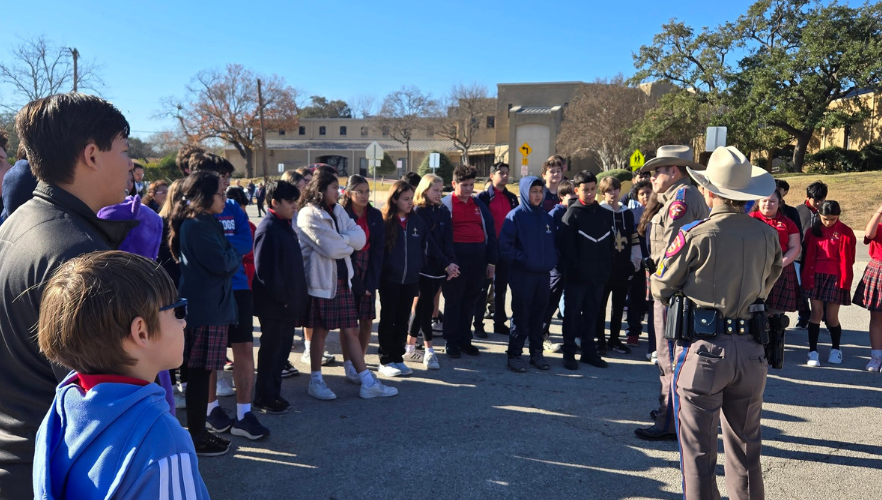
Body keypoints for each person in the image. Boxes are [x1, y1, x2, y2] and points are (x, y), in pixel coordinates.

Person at [0, 93, 135, 498]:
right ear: (92, 155)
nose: (130, 164)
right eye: (124, 150)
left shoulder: (19, 222)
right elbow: (103, 397)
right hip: (54, 469)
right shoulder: (76, 253)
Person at [651, 145, 782, 500]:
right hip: (752, 350)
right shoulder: (767, 234)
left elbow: (661, 286)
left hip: (706, 350)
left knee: (698, 452)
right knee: (745, 450)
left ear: (710, 192)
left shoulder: (695, 233)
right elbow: (770, 281)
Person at [33, 251, 210, 499]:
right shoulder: (165, 440)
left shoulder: (60, 414)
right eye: (176, 310)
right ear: (141, 332)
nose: (183, 323)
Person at [297, 171, 398, 399]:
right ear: (321, 190)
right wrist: (347, 243)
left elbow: (360, 239)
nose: (338, 192)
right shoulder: (308, 214)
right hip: (322, 282)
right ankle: (316, 381)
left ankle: (366, 382)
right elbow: (333, 249)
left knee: (351, 330)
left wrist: (342, 241)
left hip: (344, 280)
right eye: (334, 187)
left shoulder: (338, 210)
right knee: (320, 332)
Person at [186, 150, 262, 445]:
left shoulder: (233, 207)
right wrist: (225, 250)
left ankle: (244, 413)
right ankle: (210, 410)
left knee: (244, 349)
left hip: (238, 288)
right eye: (220, 177)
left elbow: (245, 242)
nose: (226, 183)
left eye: (227, 177)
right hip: (209, 293)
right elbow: (219, 251)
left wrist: (224, 248)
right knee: (209, 357)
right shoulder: (190, 215)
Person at [634, 145, 709, 442]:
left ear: (673, 171)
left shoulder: (681, 199)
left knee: (669, 357)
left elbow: (673, 253)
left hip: (671, 292)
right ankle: (669, 410)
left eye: (657, 172)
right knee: (670, 355)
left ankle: (668, 420)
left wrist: (661, 287)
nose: (652, 178)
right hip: (673, 290)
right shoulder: (678, 197)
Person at [169, 170, 241, 456]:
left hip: (213, 307)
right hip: (204, 310)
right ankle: (196, 436)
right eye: (220, 194)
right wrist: (233, 256)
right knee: (199, 376)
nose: (224, 199)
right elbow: (223, 262)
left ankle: (199, 432)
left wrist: (231, 256)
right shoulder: (197, 225)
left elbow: (228, 256)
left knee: (203, 374)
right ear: (204, 196)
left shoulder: (206, 221)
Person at [253, 180, 309, 415]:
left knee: (283, 348)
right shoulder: (268, 227)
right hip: (275, 304)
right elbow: (264, 269)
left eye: (296, 201)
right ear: (275, 202)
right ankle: (264, 396)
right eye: (290, 201)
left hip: (287, 303)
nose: (295, 205)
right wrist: (283, 297)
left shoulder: (284, 224)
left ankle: (274, 393)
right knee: (272, 350)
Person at [499, 176, 557, 372]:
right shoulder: (514, 217)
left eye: (540, 191)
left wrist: (551, 260)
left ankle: (536, 354)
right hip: (522, 275)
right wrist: (525, 258)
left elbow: (553, 246)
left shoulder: (547, 218)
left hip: (543, 275)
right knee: (521, 316)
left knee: (539, 316)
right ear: (525, 192)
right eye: (534, 191)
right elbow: (505, 248)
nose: (538, 195)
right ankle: (514, 355)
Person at [440, 165, 498, 358]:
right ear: (454, 184)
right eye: (464, 185)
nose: (468, 189)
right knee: (454, 302)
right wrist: (448, 263)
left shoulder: (478, 205)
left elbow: (490, 233)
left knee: (469, 302)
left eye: (471, 185)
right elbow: (440, 237)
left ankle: (466, 340)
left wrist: (491, 262)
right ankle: (451, 341)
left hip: (478, 261)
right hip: (455, 262)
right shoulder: (445, 205)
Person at [559, 171, 612, 370]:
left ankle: (589, 353)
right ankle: (569, 353)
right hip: (576, 279)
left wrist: (606, 271)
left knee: (592, 316)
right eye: (584, 190)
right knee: (572, 316)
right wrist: (574, 272)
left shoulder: (605, 214)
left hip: (598, 278)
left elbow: (609, 247)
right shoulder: (572, 215)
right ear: (576, 190)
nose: (589, 193)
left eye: (592, 189)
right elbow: (565, 249)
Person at [377, 181, 430, 376]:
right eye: (406, 199)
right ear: (395, 199)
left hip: (410, 279)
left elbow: (425, 246)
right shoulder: (385, 221)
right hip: (390, 279)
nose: (410, 203)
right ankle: (385, 359)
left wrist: (419, 266)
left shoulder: (417, 222)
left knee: (402, 320)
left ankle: (398, 358)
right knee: (388, 319)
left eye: (412, 199)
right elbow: (379, 252)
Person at [409, 174, 459, 370]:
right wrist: (446, 263)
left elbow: (448, 240)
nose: (440, 194)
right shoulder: (418, 211)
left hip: (440, 268)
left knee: (422, 307)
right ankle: (429, 351)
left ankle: (410, 346)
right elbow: (427, 243)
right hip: (423, 268)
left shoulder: (443, 210)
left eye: (441, 190)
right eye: (435, 190)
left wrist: (452, 263)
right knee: (426, 307)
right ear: (424, 190)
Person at [800, 200, 856, 367]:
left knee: (831, 317)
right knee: (816, 315)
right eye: (825, 218)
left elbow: (850, 258)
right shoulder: (812, 231)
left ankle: (836, 349)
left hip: (836, 277)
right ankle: (813, 352)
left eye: (833, 219)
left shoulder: (846, 232)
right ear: (819, 215)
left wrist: (844, 280)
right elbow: (806, 256)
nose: (829, 222)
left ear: (838, 216)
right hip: (815, 275)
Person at [342, 175, 386, 378]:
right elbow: (342, 249)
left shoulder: (375, 215)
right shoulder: (341, 213)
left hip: (368, 266)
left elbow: (378, 250)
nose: (364, 195)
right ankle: (349, 363)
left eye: (367, 191)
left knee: (367, 319)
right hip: (347, 267)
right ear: (349, 193)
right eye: (360, 191)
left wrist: (371, 281)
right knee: (349, 321)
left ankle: (361, 360)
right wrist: (355, 280)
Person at [596, 176, 641, 355]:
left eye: (615, 189)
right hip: (604, 267)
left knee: (619, 306)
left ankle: (614, 339)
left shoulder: (627, 213)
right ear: (603, 192)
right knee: (600, 306)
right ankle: (600, 340)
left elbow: (633, 237)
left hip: (623, 266)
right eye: (608, 190)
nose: (612, 193)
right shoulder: (599, 212)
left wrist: (635, 259)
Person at [475, 162, 518, 337]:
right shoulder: (483, 197)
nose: (505, 176)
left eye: (507, 173)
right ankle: (478, 324)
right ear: (492, 176)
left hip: (506, 249)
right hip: (487, 249)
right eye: (501, 173)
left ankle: (499, 322)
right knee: (483, 288)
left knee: (501, 288)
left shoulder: (512, 197)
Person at [749, 191, 802, 318]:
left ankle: (777, 335)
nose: (768, 204)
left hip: (780, 269)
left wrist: (780, 264)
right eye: (764, 200)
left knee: (776, 313)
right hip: (754, 269)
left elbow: (795, 246)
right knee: (754, 309)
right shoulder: (749, 220)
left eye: (772, 201)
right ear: (758, 202)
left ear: (779, 204)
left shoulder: (788, 223)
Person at [541, 180, 576, 352]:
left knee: (570, 303)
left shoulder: (577, 211)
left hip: (573, 264)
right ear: (562, 196)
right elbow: (552, 239)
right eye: (571, 195)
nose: (575, 198)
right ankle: (541, 334)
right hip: (558, 265)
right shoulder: (556, 213)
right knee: (550, 300)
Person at [794, 181, 828, 329]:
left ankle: (826, 317)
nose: (819, 203)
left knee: (821, 288)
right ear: (807, 197)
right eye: (816, 200)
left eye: (822, 200)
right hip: (799, 257)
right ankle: (803, 316)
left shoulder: (827, 210)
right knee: (800, 287)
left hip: (820, 257)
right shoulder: (797, 211)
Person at [854, 202, 882, 371]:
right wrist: (879, 211)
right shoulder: (878, 226)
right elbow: (869, 234)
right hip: (878, 269)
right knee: (877, 317)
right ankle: (876, 356)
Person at [625, 179, 653, 347]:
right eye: (641, 194)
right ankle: (633, 331)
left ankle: (654, 334)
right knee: (634, 297)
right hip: (637, 261)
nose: (645, 196)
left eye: (648, 193)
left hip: (654, 262)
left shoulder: (660, 211)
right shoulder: (632, 214)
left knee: (652, 301)